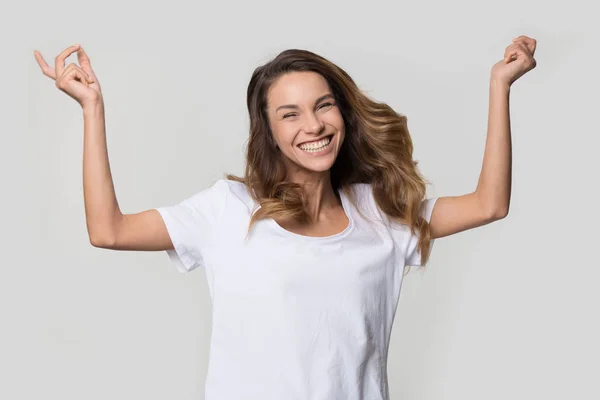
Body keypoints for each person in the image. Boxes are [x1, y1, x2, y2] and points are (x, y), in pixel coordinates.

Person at [34, 36, 537, 400]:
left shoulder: (381, 215)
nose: (313, 125)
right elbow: (109, 230)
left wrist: (500, 85)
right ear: (268, 132)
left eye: (324, 106)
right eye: (290, 114)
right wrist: (91, 108)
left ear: (344, 114)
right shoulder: (228, 209)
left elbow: (490, 203)